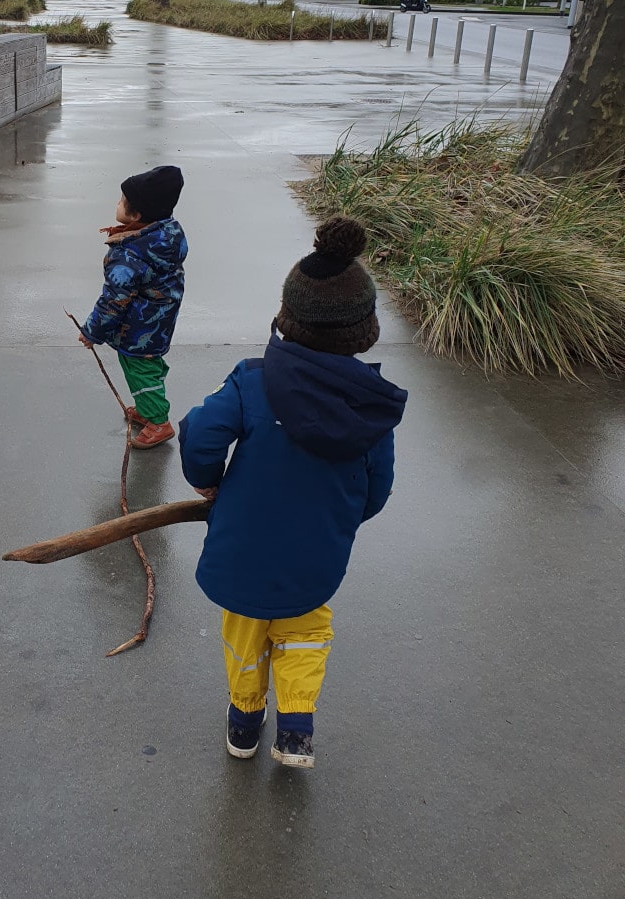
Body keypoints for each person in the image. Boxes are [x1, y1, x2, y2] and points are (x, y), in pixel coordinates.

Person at [178, 217, 407, 767]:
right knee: (306, 634)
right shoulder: (369, 405)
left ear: (287, 316)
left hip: (242, 548)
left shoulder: (251, 381)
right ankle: (296, 729)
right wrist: (343, 517)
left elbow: (200, 430)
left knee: (244, 635)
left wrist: (205, 479)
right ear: (363, 328)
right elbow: (379, 486)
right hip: (316, 554)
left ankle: (243, 722)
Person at [77, 166, 187, 449]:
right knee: (148, 363)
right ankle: (148, 407)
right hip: (160, 316)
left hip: (140, 326)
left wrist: (92, 331)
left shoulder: (129, 255)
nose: (116, 203)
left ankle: (159, 422)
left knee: (140, 369)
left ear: (136, 215)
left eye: (121, 200)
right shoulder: (166, 234)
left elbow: (114, 300)